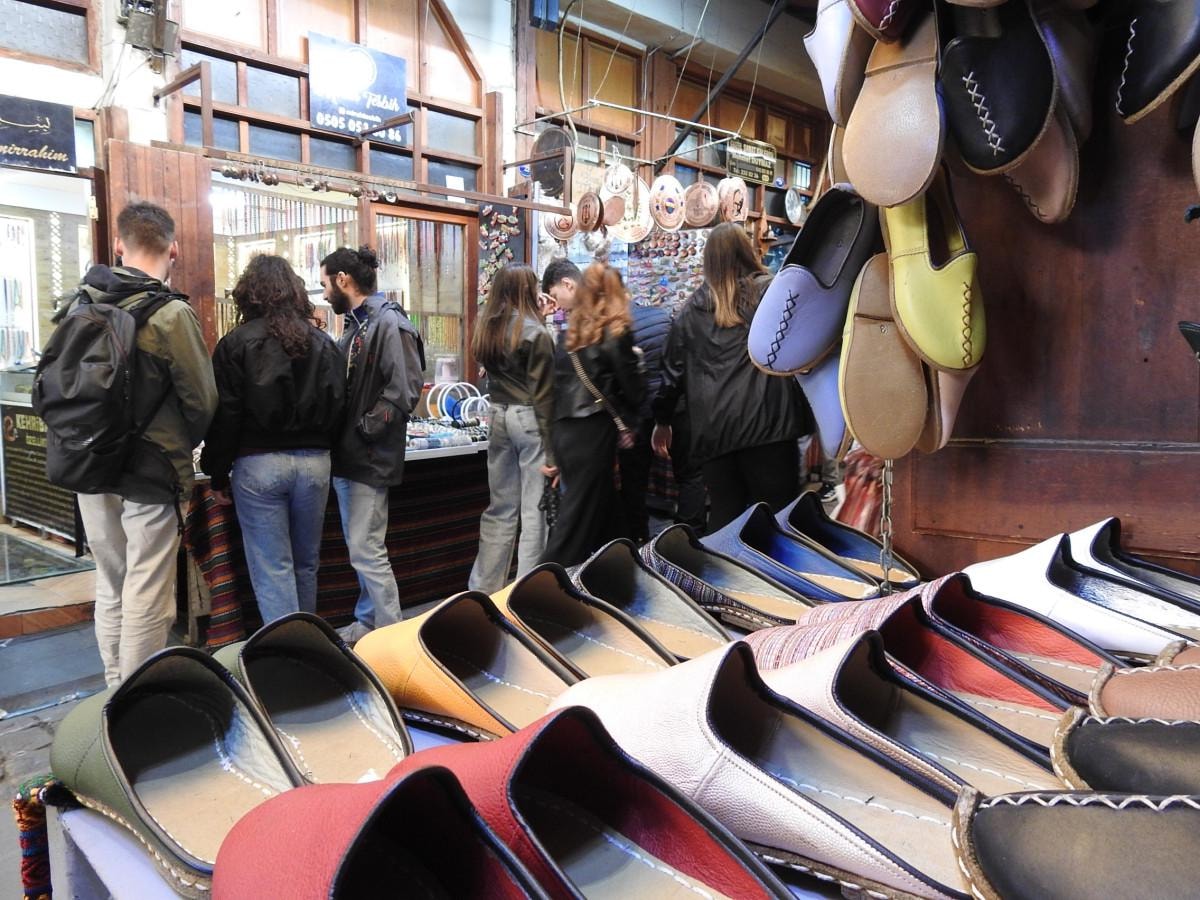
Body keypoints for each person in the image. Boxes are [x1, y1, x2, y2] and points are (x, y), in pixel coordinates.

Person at [71, 202, 217, 685]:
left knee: (111, 582)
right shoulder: (172, 314)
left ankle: (115, 689)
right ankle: (138, 702)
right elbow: (202, 401)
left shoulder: (80, 305)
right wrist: (179, 444)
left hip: (89, 463)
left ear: (118, 245)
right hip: (152, 472)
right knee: (147, 590)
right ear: (174, 249)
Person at [201, 255, 345, 625]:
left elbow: (226, 415)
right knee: (306, 563)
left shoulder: (236, 344)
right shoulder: (324, 343)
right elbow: (338, 407)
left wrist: (216, 472)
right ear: (296, 292)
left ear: (248, 294)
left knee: (273, 568)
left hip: (258, 464)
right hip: (315, 463)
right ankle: (308, 645)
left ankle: (287, 651)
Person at [651, 222, 810, 533]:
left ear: (708, 261)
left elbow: (671, 373)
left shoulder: (689, 312)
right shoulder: (772, 292)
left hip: (715, 431)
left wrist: (662, 421)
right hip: (770, 423)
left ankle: (724, 567)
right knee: (781, 519)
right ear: (746, 251)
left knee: (726, 518)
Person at [321, 246, 425, 643]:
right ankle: (368, 622)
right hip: (352, 455)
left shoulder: (388, 322)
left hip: (367, 455)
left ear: (342, 280)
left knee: (366, 549)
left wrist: (364, 430)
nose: (324, 293)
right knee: (360, 548)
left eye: (325, 284)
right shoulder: (359, 324)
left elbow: (404, 389)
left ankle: (392, 637)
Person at [540, 262, 644, 567]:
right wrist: (632, 418)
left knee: (604, 510)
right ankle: (541, 585)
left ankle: (622, 570)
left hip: (565, 431)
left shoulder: (569, 336)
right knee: (575, 524)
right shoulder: (615, 332)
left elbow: (552, 391)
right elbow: (632, 388)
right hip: (593, 430)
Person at [467, 265, 556, 592]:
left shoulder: (486, 326)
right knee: (534, 512)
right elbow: (545, 396)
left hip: (498, 414)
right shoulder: (536, 332)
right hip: (529, 417)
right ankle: (526, 591)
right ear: (529, 289)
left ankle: (483, 588)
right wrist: (554, 452)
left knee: (500, 508)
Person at [617, 300, 671, 545]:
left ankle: (639, 537)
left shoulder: (618, 328)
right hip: (668, 405)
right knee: (687, 474)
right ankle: (690, 532)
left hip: (637, 413)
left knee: (634, 481)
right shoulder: (661, 317)